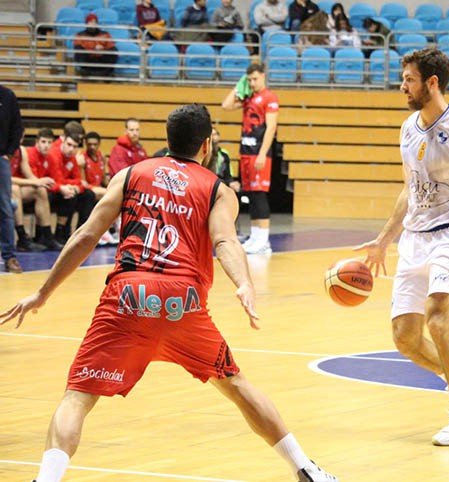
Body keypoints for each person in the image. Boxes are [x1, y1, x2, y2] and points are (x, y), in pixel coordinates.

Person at [0, 103, 338, 482]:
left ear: (167, 139)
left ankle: (46, 479)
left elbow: (86, 235)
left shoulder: (130, 174)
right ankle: (305, 468)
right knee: (237, 385)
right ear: (206, 145)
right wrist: (243, 282)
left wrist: (43, 293)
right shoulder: (217, 189)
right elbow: (225, 240)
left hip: (127, 298)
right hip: (183, 304)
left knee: (77, 397)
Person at [354, 48, 449, 446]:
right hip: (415, 239)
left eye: (409, 79)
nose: (402, 86)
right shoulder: (407, 127)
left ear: (431, 82)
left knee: (439, 320)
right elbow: (411, 188)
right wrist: (385, 238)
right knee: (404, 336)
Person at [221, 63, 279, 254]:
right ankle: (255, 237)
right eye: (249, 79)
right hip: (245, 151)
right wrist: (239, 85)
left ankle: (263, 240)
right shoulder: (249, 97)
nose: (252, 83)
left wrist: (263, 153)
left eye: (255, 79)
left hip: (258, 152)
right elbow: (226, 105)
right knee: (251, 194)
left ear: (263, 76)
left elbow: (271, 127)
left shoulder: (269, 98)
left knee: (259, 194)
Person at [47, 133, 96, 243]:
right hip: (53, 189)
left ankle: (81, 232)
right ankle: (60, 233)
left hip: (66, 189)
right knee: (70, 197)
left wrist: (75, 187)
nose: (71, 149)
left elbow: (79, 180)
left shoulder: (72, 158)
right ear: (63, 142)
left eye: (74, 146)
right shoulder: (54, 155)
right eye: (69, 145)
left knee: (88, 195)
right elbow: (57, 180)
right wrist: (72, 186)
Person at [9, 144, 60, 251]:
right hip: (5, 186)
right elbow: (5, 178)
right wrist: (33, 182)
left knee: (40, 190)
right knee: (15, 189)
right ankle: (22, 238)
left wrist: (40, 182)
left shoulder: (21, 150)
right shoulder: (2, 150)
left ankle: (47, 236)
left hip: (9, 190)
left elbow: (29, 174)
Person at [25, 128, 66, 250]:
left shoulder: (51, 157)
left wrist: (62, 187)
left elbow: (57, 180)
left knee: (67, 196)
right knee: (43, 191)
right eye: (43, 142)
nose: (46, 146)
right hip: (27, 188)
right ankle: (46, 236)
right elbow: (34, 180)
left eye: (49, 142)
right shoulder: (30, 154)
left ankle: (58, 234)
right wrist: (56, 186)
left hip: (41, 190)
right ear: (36, 142)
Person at [0, 84, 24, 273]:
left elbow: (17, 127)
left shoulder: (7, 96)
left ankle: (9, 257)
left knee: (5, 208)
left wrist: (8, 152)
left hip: (0, 159)